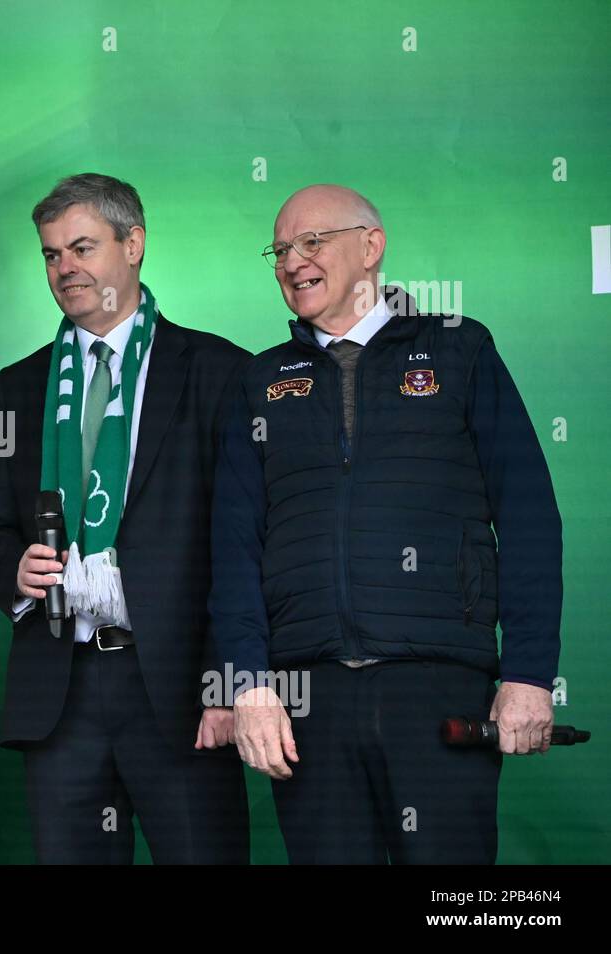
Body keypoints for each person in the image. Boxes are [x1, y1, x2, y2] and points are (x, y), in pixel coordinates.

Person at [210, 184, 562, 863]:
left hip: (435, 689)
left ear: (371, 247)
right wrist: (249, 686)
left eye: (312, 242)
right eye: (280, 249)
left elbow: (528, 516)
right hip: (306, 698)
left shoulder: (460, 349)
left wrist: (529, 675)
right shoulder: (258, 382)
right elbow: (233, 550)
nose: (292, 261)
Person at [0, 174, 250, 863]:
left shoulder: (220, 371)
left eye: (82, 247)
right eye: (51, 254)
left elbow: (244, 547)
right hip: (59, 692)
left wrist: (228, 683)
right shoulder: (19, 384)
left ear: (135, 244)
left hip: (182, 691)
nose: (65, 268)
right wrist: (16, 569)